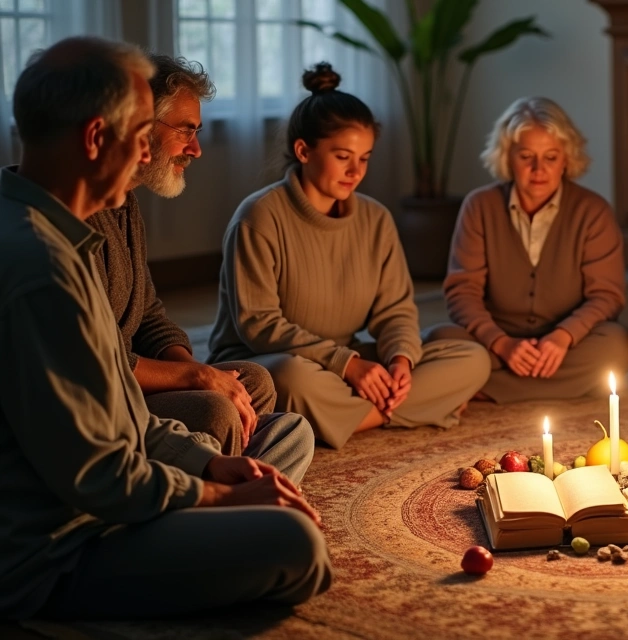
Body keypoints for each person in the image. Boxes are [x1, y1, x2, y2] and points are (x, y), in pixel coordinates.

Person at [0, 36, 329, 621]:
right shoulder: (42, 270)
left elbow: (123, 413)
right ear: (96, 138)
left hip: (115, 503)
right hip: (64, 550)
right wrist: (219, 496)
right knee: (296, 545)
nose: (145, 152)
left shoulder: (62, 236)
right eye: (139, 135)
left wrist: (207, 464)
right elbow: (101, 477)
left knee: (274, 450)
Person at [208, 63, 489, 449]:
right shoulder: (258, 217)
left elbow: (395, 311)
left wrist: (400, 362)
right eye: (343, 156)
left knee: (471, 357)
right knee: (292, 378)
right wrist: (349, 365)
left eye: (365, 158)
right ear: (303, 150)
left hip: (342, 361)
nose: (356, 171)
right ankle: (406, 409)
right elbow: (259, 325)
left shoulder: (376, 219)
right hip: (268, 361)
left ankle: (343, 418)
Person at [89, 53, 308, 467]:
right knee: (220, 411)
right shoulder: (70, 219)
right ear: (138, 125)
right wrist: (199, 378)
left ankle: (229, 475)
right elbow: (96, 362)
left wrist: (202, 376)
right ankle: (226, 486)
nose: (196, 149)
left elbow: (148, 316)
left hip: (129, 381)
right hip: (102, 396)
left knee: (254, 382)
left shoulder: (124, 204)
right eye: (186, 130)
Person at [425, 97, 628, 402]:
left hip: (566, 343)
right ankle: (551, 386)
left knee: (617, 344)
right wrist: (500, 343)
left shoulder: (593, 211)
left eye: (551, 157)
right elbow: (462, 292)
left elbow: (607, 296)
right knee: (439, 339)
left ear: (566, 159)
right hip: (496, 341)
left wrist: (563, 336)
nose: (538, 169)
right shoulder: (479, 206)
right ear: (507, 157)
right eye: (526, 157)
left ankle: (483, 387)